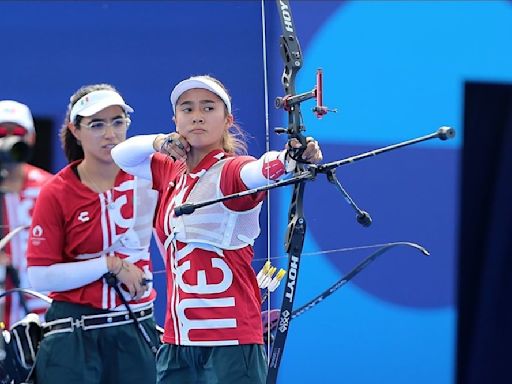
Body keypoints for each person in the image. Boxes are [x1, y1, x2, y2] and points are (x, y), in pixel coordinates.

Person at [111, 75, 323, 384]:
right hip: (178, 341)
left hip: (230, 343)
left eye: (208, 108)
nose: (197, 115)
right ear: (175, 119)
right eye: (187, 109)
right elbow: (122, 155)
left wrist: (290, 159)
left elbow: (261, 170)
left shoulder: (233, 169)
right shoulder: (170, 168)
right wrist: (160, 141)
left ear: (227, 120)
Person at [26, 84, 160, 384]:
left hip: (135, 329)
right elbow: (40, 276)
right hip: (73, 335)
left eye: (117, 122)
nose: (109, 134)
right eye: (96, 124)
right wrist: (110, 265)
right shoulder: (55, 192)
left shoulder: (149, 178)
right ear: (75, 130)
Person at [0, 100, 52, 329]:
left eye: (18, 132)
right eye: (1, 132)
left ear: (31, 138)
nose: (9, 139)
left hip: (39, 316)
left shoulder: (50, 188)